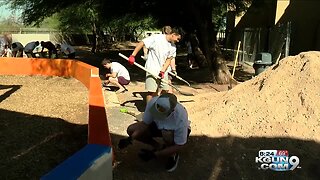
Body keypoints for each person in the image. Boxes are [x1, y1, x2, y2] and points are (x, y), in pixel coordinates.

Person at [118, 93, 191, 172]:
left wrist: (155, 155)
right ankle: (158, 146)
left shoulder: (180, 118)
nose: (157, 114)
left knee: (167, 134)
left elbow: (179, 145)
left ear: (171, 111)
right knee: (131, 129)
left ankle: (172, 155)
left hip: (171, 131)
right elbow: (145, 124)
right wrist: (131, 138)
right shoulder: (153, 102)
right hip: (158, 126)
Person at [128, 27, 182, 103]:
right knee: (151, 91)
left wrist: (163, 71)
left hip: (163, 71)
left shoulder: (173, 47)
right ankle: (149, 110)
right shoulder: (157, 38)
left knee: (165, 90)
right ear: (173, 35)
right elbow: (142, 43)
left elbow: (168, 60)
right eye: (177, 38)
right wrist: (133, 55)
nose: (178, 41)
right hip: (152, 68)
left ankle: (161, 108)